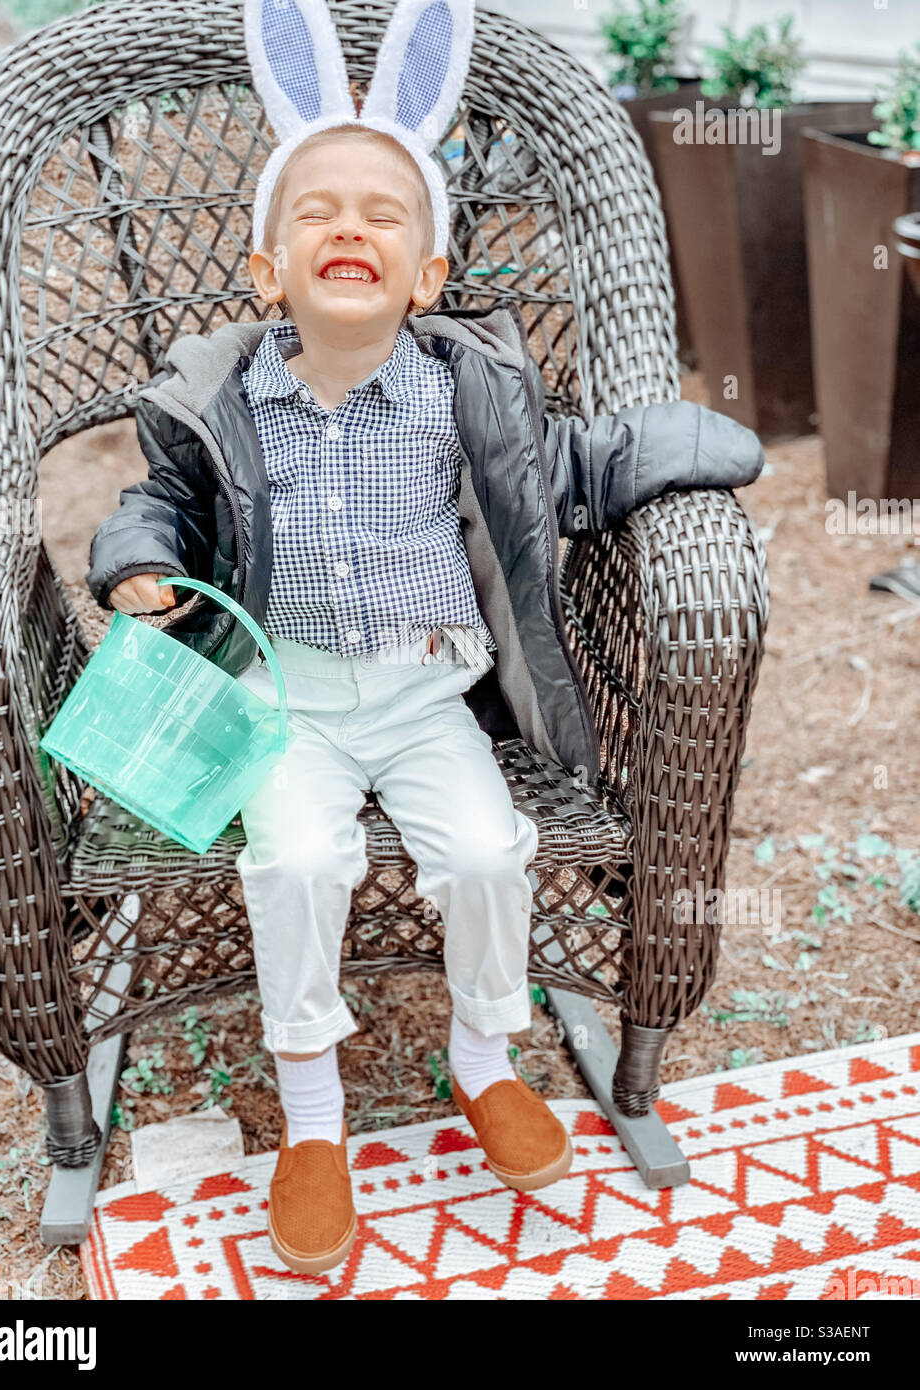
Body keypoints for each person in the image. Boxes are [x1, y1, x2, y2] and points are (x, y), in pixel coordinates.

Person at [86, 0, 765, 1276]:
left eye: (385, 215)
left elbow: (578, 466)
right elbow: (157, 502)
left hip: (425, 698)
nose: (352, 227)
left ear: (430, 274)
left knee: (492, 850)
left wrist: (694, 444)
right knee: (292, 863)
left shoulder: (467, 390)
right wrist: (140, 561)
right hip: (284, 702)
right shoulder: (226, 396)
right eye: (319, 213)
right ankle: (315, 1124)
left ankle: (482, 1056)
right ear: (270, 267)